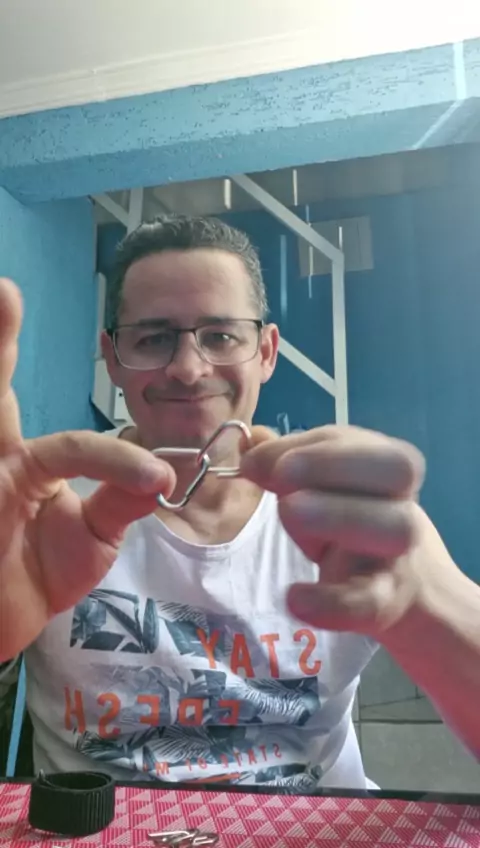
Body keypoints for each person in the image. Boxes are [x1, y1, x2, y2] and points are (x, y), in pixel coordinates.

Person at [0, 215, 478, 788]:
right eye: (153, 338)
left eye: (221, 336)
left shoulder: (344, 515)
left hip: (318, 822)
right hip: (96, 822)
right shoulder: (47, 514)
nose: (188, 368)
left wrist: (426, 611)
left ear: (267, 352)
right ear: (114, 357)